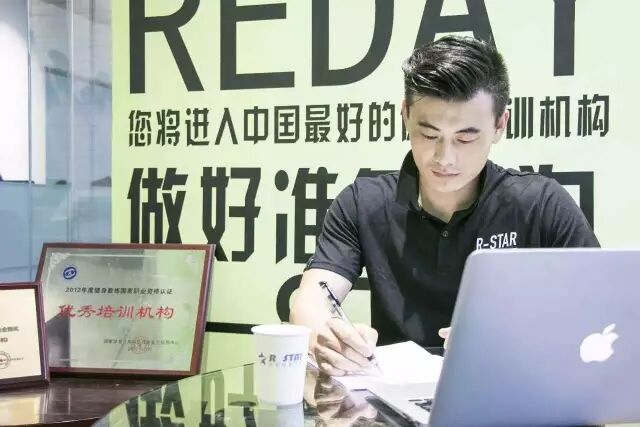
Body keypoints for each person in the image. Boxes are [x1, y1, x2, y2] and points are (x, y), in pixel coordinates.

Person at [290, 36, 599, 376]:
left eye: (465, 138)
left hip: (513, 388)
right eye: (429, 134)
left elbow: (598, 313)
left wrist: (517, 338)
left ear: (500, 125)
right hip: (394, 396)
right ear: (405, 115)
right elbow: (310, 301)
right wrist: (327, 339)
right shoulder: (363, 202)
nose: (444, 158)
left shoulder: (540, 204)